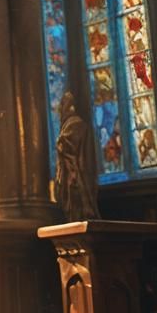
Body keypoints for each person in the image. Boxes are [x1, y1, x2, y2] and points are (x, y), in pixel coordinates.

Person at [54, 91, 100, 221]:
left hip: (75, 178)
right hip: (79, 174)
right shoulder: (74, 124)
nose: (59, 109)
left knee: (76, 208)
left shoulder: (74, 124)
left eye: (63, 104)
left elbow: (67, 148)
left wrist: (60, 143)